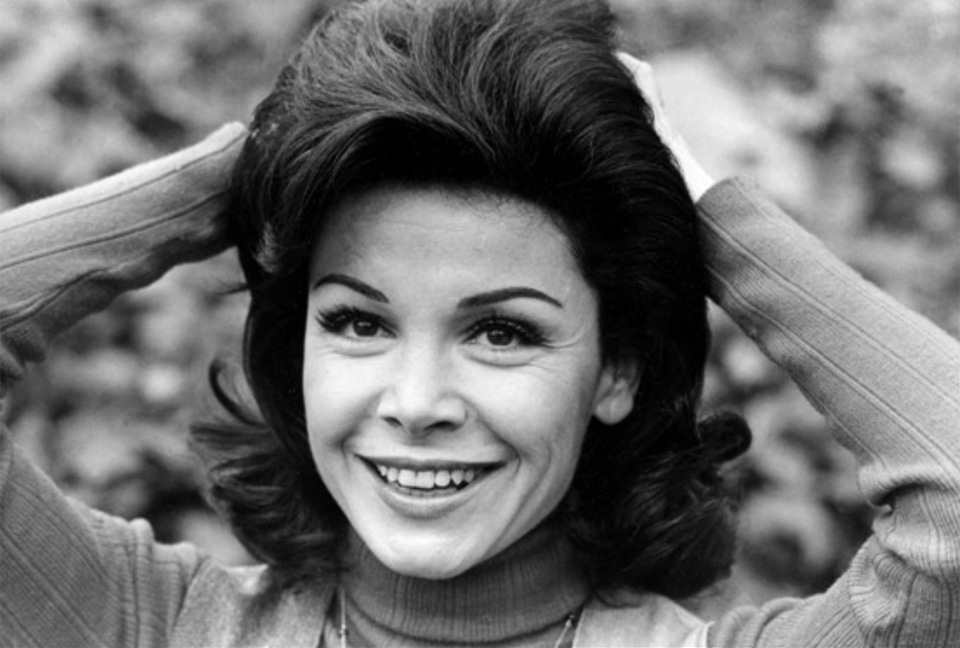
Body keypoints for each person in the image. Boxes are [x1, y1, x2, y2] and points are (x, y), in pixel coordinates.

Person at [1, 0, 957, 646]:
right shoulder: (155, 623)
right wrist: (249, 165)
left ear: (617, 367)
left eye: (502, 333)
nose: (417, 403)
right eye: (358, 323)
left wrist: (698, 202)